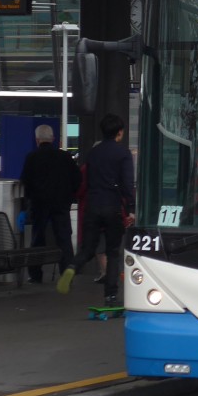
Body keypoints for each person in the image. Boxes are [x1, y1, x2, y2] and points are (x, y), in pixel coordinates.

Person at [58, 113, 136, 306]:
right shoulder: (123, 153)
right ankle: (110, 296)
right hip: (112, 207)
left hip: (92, 206)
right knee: (112, 252)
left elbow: (86, 180)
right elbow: (127, 184)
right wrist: (132, 208)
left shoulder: (93, 153)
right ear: (120, 133)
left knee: (88, 249)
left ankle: (73, 266)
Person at [20, 124, 82, 284]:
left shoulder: (31, 157)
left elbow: (25, 181)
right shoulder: (65, 157)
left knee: (37, 239)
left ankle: (35, 274)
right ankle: (67, 270)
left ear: (37, 140)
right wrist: (69, 195)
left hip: (39, 204)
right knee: (64, 238)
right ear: (54, 139)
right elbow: (77, 178)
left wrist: (31, 197)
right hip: (61, 203)